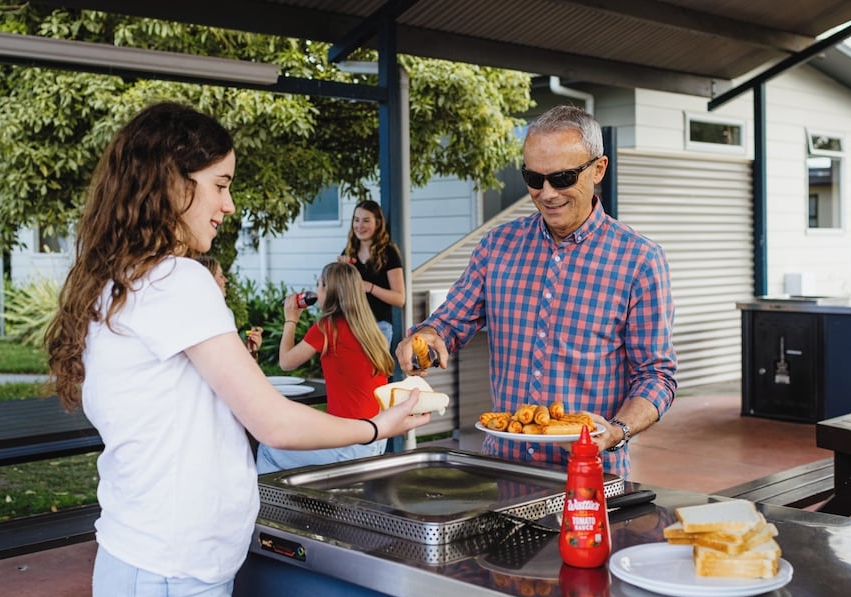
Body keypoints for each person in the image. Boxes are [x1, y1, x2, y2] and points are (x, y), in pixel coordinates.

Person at [43, 101, 429, 597]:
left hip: (154, 575)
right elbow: (270, 419)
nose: (229, 204)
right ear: (173, 183)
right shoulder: (176, 279)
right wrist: (378, 426)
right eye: (219, 185)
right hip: (171, 588)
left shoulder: (123, 279)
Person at [395, 105, 676, 478]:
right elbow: (448, 324)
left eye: (561, 178)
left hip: (591, 473)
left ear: (598, 169)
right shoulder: (497, 246)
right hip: (503, 469)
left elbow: (656, 375)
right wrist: (425, 339)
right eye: (533, 177)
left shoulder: (639, 259)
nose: (546, 193)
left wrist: (617, 430)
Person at [256, 261, 393, 472]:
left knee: (269, 446)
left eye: (320, 285)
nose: (317, 291)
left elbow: (285, 362)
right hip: (375, 438)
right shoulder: (371, 332)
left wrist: (290, 319)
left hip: (348, 443)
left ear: (330, 291)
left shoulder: (328, 327)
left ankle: (266, 505)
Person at [338, 199, 405, 344]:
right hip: (352, 325)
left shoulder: (389, 252)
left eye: (366, 220)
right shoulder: (348, 253)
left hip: (378, 328)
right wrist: (341, 272)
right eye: (356, 220)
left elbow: (399, 299)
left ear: (378, 223)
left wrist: (370, 287)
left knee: (374, 368)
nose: (359, 226)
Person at [196, 254, 262, 358]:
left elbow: (231, 358)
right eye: (220, 276)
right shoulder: (203, 318)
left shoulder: (226, 313)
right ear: (208, 281)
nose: (225, 280)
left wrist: (250, 350)